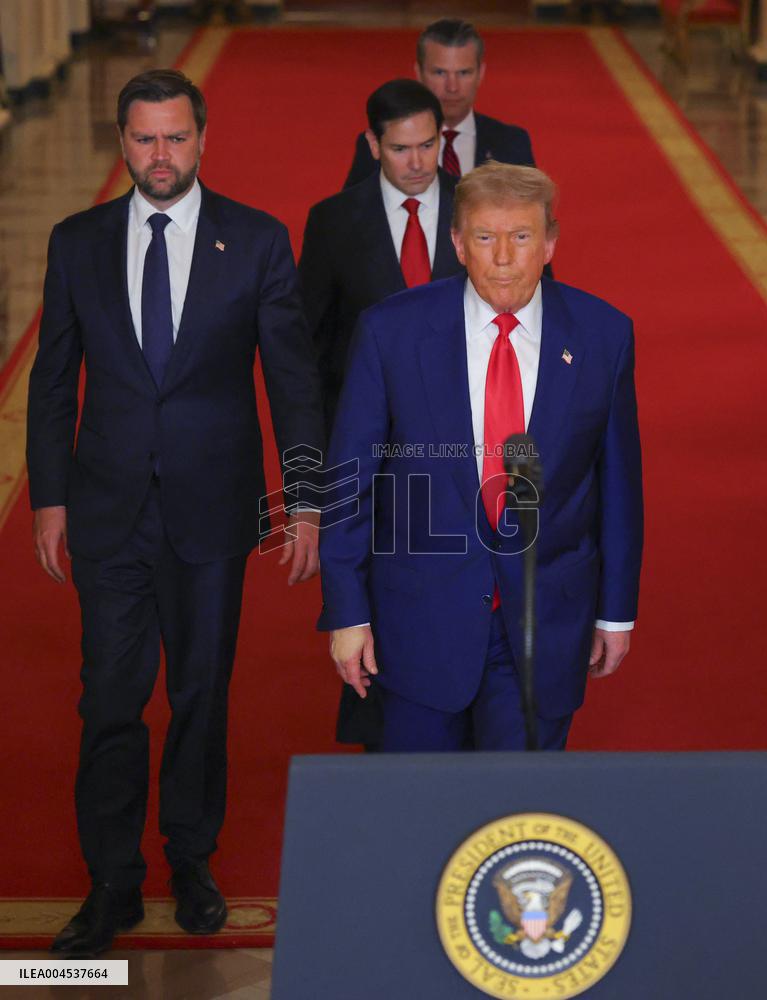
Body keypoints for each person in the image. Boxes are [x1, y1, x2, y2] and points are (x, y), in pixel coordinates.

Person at [26, 69, 324, 957]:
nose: (162, 155)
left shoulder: (259, 241)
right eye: (146, 139)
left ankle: (191, 861)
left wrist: (305, 499)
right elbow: (51, 383)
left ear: (203, 138)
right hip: (108, 510)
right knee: (110, 700)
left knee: (200, 695)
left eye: (177, 138)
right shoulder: (76, 240)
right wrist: (49, 498)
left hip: (212, 512)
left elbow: (294, 386)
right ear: (122, 144)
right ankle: (110, 880)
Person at [318, 162, 643, 753]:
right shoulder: (391, 332)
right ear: (458, 244)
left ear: (549, 243)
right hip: (418, 621)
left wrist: (616, 612)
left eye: (520, 237)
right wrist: (347, 611)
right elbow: (350, 481)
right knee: (421, 816)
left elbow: (617, 485)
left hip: (546, 624)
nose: (502, 257)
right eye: (485, 238)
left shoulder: (603, 336)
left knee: (516, 824)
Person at [299, 78, 463, 746]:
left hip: (461, 461)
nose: (418, 163)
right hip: (369, 465)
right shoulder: (334, 222)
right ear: (372, 145)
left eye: (428, 146)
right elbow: (307, 354)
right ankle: (385, 742)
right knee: (374, 605)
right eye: (401, 149)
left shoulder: (473, 209)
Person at [343, 19, 536, 189]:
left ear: (481, 73)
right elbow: (352, 217)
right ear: (419, 73)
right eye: (440, 73)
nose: (452, 87)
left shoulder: (512, 143)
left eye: (464, 73)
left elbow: (535, 218)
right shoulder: (383, 142)